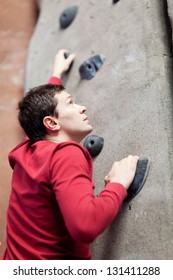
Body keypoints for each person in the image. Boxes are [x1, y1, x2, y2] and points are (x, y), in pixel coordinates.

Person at [2, 49, 138, 260]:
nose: (82, 108)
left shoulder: (29, 149)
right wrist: (117, 185)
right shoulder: (65, 154)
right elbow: (85, 226)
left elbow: (40, 116)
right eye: (71, 103)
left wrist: (57, 73)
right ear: (52, 123)